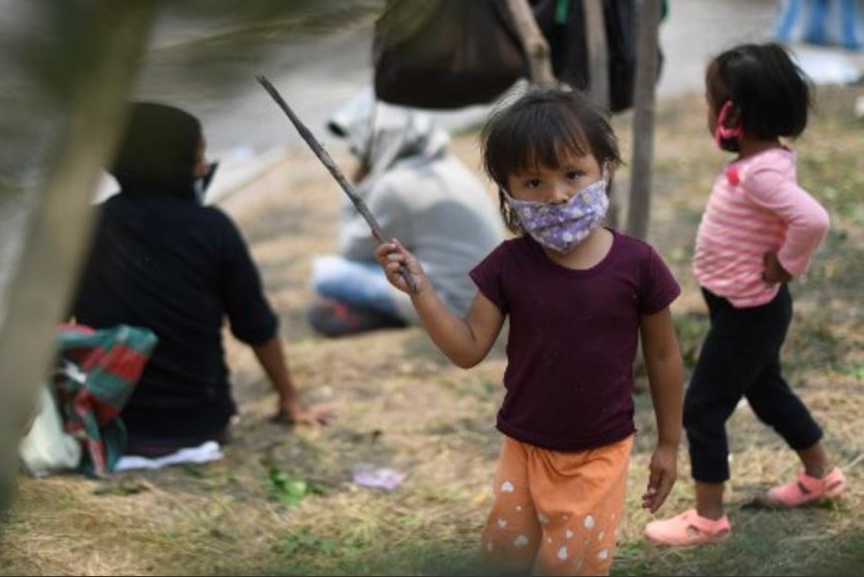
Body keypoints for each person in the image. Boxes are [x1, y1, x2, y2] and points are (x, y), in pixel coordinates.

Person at [375, 88, 684, 575]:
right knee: (506, 559)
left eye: (572, 174)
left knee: (567, 567)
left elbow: (665, 357)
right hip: (523, 447)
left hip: (599, 453)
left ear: (605, 168)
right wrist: (421, 291)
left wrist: (669, 443)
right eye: (533, 182)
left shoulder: (638, 264)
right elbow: (468, 347)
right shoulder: (507, 266)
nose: (557, 195)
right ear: (507, 191)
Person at [645, 43, 845, 546]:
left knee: (702, 410)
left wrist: (787, 264)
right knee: (767, 391)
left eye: (712, 102)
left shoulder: (762, 173)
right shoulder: (763, 162)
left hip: (748, 313)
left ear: (731, 114)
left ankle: (708, 519)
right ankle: (821, 475)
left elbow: (813, 218)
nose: (707, 112)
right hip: (743, 308)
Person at [73, 102, 333, 457]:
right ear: (171, 165)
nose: (206, 167)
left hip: (107, 426)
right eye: (197, 156)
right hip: (198, 427)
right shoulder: (212, 227)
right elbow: (255, 324)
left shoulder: (82, 229)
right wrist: (291, 399)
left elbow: (46, 329)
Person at [307, 89, 505, 337]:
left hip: (452, 303)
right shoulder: (444, 165)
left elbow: (351, 250)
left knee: (324, 275)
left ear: (375, 140)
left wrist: (356, 186)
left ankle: (396, 314)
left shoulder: (396, 186)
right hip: (486, 297)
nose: (356, 152)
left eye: (359, 147)